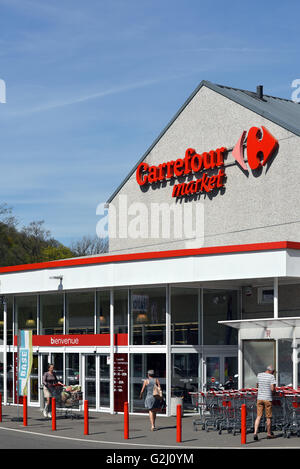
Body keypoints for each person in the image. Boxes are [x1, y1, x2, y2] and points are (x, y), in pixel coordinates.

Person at [253, 365, 276, 440]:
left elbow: (257, 385)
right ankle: (269, 433)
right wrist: (274, 391)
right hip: (267, 398)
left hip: (259, 398)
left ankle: (255, 433)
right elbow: (272, 389)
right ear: (271, 371)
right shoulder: (271, 377)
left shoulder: (259, 375)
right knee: (268, 417)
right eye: (273, 372)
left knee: (258, 416)